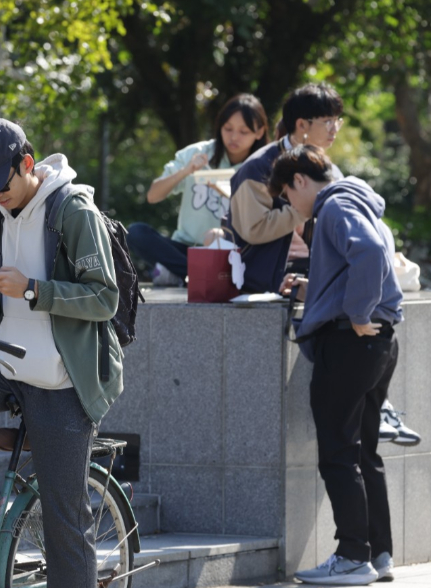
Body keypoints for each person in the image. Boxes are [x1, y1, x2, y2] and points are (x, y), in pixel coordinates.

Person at [0, 118, 123, 587]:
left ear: (26, 164)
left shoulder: (72, 211)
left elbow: (104, 298)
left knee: (64, 521)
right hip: (5, 362)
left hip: (63, 378)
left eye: (1, 184)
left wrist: (33, 290)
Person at [276, 145, 400, 585]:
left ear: (300, 182)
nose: (293, 209)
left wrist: (360, 313)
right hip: (376, 344)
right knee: (364, 450)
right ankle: (379, 552)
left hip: (350, 343)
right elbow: (360, 264)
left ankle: (352, 557)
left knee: (339, 452)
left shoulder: (334, 205)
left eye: (289, 198)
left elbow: (368, 254)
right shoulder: (358, 200)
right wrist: (319, 290)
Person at [128, 94, 268, 286]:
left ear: (259, 132)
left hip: (234, 251)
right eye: (228, 129)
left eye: (243, 131)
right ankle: (198, 276)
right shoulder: (197, 153)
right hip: (188, 249)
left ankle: (182, 274)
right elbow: (153, 195)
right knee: (135, 233)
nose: (234, 137)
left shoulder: (265, 165)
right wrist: (187, 171)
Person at [226, 82, 345, 292]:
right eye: (327, 122)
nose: (334, 129)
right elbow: (254, 229)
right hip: (257, 284)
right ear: (301, 125)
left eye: (337, 122)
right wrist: (304, 209)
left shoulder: (330, 169)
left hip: (307, 280)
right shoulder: (258, 168)